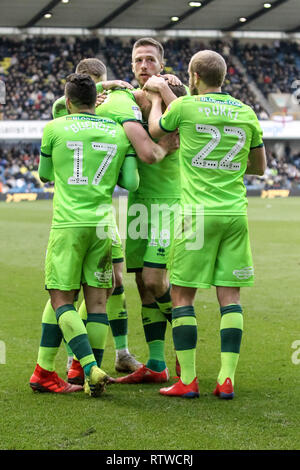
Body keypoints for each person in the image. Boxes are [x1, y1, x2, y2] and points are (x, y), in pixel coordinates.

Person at [147, 50, 267, 398]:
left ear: (194, 78)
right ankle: (226, 379)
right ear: (223, 78)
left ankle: (188, 380)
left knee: (182, 295)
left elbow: (156, 130)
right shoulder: (246, 112)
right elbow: (258, 166)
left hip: (196, 215)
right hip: (234, 213)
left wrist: (157, 97)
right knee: (230, 297)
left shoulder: (185, 107)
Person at [29, 73, 139, 396]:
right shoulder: (118, 133)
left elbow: (45, 175)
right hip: (104, 225)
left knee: (61, 301)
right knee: (98, 305)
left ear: (67, 100)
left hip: (68, 224)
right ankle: (86, 379)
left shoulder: (53, 128)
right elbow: (130, 183)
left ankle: (89, 368)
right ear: (96, 101)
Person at [112, 38, 186, 384]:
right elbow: (76, 90)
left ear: (162, 63)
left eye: (150, 60)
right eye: (138, 60)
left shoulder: (175, 94)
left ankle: (187, 353)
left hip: (169, 204)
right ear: (130, 67)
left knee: (157, 281)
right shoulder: (126, 100)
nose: (144, 65)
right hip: (139, 204)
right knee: (142, 284)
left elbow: (183, 132)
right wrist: (107, 85)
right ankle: (157, 365)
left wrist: (164, 90)